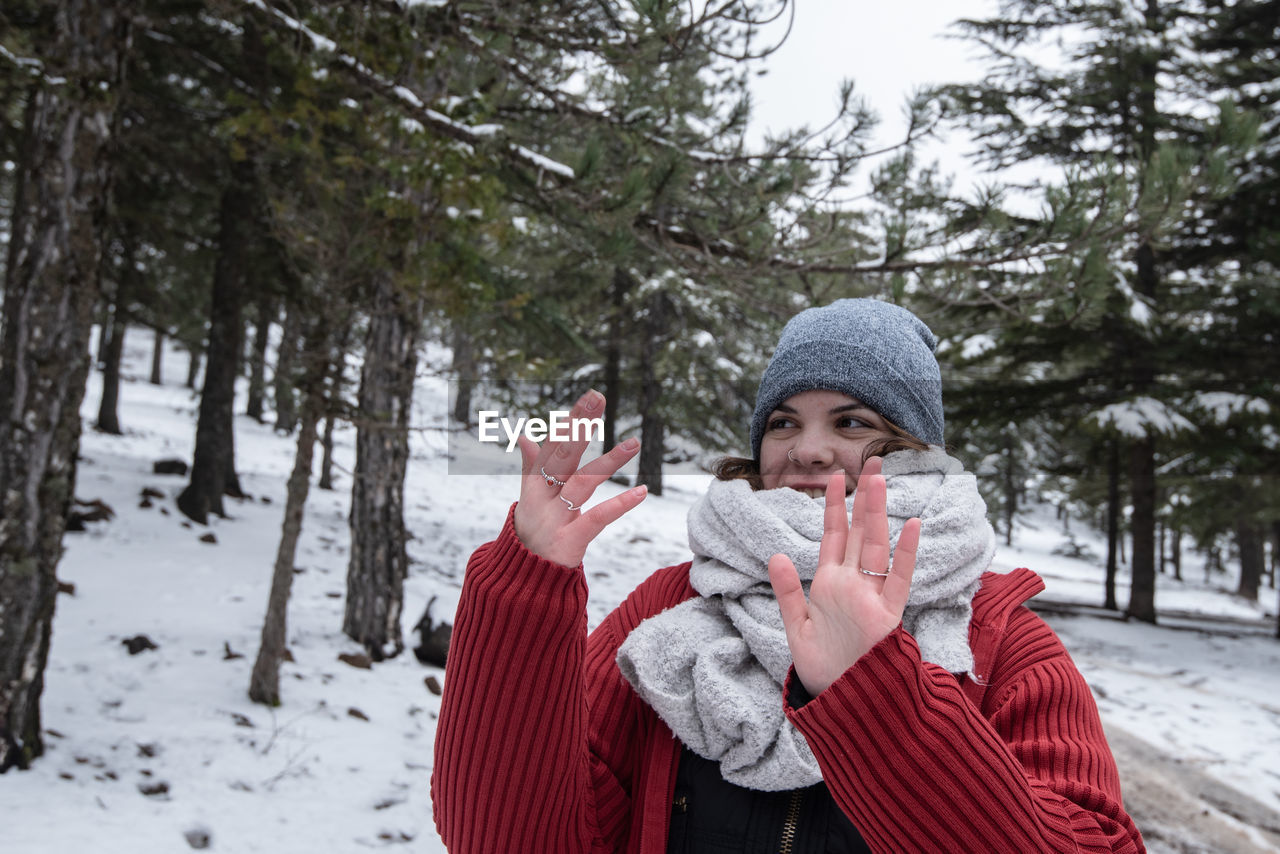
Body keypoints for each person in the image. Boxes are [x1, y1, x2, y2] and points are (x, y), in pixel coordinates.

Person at [432, 299, 1145, 853]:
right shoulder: (674, 607)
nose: (807, 450)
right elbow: (505, 836)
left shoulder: (998, 642)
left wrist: (873, 691)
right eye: (781, 422)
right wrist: (524, 587)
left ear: (914, 451)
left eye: (852, 421)